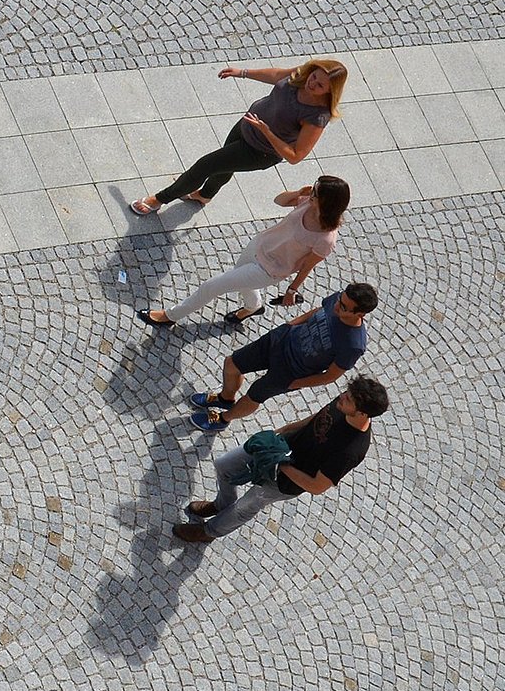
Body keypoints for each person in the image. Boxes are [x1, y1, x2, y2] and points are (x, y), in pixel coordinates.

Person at [173, 376, 386, 542]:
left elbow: (317, 486)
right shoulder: (343, 404)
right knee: (224, 465)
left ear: (362, 413)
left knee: (245, 506)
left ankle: (209, 532)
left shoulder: (351, 450)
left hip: (286, 482)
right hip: (279, 447)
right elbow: (316, 418)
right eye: (346, 392)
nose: (341, 396)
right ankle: (221, 504)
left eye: (348, 398)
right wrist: (282, 431)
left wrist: (282, 464)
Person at [128, 59, 346, 215]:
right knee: (223, 166)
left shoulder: (317, 116)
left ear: (330, 91)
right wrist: (242, 72)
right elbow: (277, 75)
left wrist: (267, 131)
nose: (312, 83)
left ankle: (158, 200)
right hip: (246, 126)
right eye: (314, 76)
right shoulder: (303, 75)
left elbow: (296, 156)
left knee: (204, 166)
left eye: (320, 85)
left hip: (259, 151)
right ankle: (205, 195)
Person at [138, 176, 349, 329]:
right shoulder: (306, 203)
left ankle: (170, 316)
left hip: (270, 270)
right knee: (242, 282)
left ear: (326, 202)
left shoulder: (326, 239)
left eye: (315, 192)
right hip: (259, 245)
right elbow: (279, 201)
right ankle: (254, 307)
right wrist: (298, 193)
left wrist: (292, 290)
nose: (311, 193)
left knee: (212, 286)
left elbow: (307, 266)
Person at [189, 282, 377, 432]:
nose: (337, 305)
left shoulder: (353, 345)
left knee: (254, 396)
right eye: (339, 300)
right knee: (231, 364)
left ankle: (223, 419)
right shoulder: (339, 299)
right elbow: (318, 311)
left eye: (344, 307)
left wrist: (295, 384)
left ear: (360, 313)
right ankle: (225, 398)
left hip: (292, 371)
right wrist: (290, 325)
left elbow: (330, 376)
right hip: (281, 340)